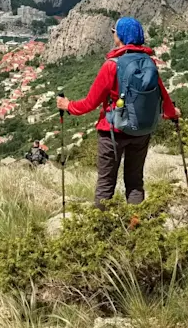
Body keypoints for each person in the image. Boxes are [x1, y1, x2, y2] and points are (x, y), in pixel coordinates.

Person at [57, 17, 179, 207]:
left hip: (113, 132)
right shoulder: (149, 63)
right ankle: (136, 226)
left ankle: (102, 229)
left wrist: (68, 105)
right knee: (135, 182)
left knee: (106, 184)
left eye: (114, 31)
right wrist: (172, 114)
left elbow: (90, 103)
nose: (113, 34)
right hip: (141, 130)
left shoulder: (112, 65)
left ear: (121, 36)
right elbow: (162, 95)